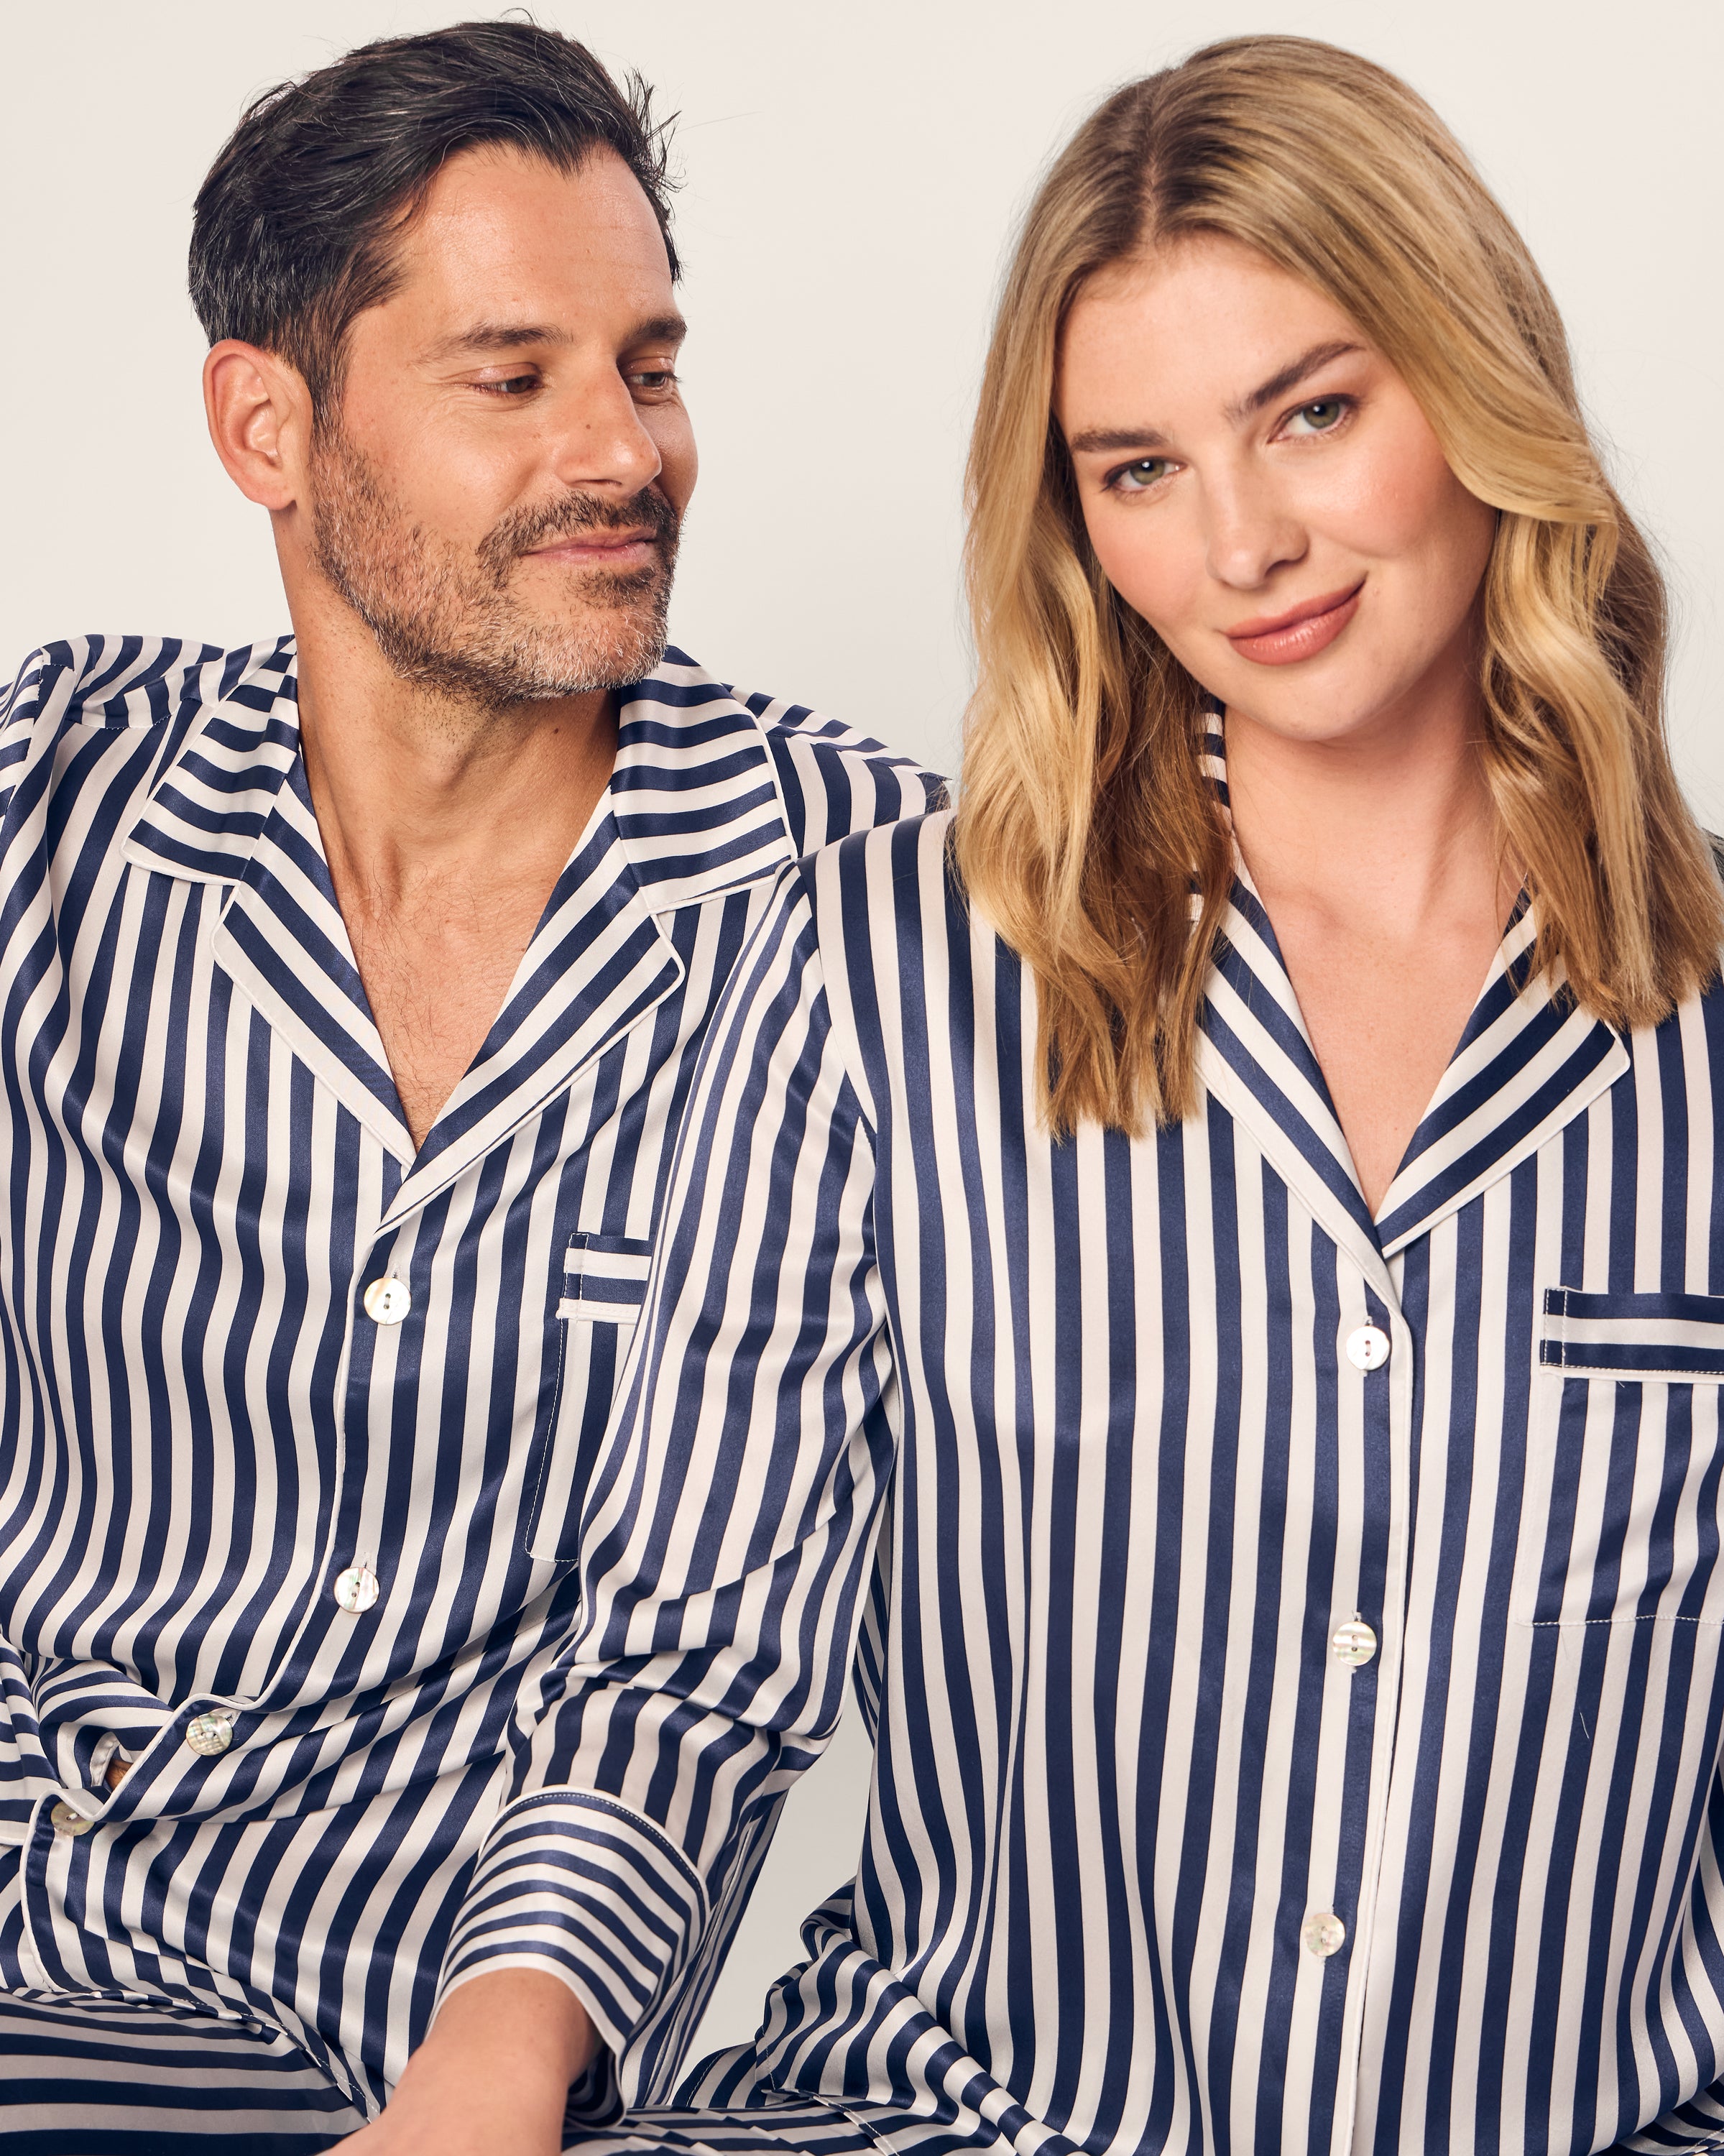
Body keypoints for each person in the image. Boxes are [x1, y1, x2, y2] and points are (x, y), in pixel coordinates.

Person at [383, 32, 1724, 2156]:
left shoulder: (1704, 1036)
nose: (1250, 540)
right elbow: (686, 1664)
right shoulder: (870, 972)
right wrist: (493, 2064)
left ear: (1474, 388)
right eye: (1140, 468)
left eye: (1312, 411)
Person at [0, 19, 941, 2151]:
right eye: (514, 379)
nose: (622, 450)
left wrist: (486, 2087)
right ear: (267, 425)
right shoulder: (59, 786)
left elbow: (709, 1651)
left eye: (652, 363)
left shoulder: (859, 903)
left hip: (404, 2036)